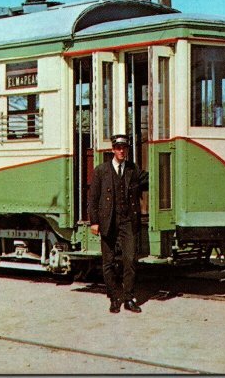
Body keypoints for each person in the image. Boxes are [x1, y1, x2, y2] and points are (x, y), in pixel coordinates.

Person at [88, 134, 146, 314]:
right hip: (108, 222)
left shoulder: (133, 170)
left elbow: (149, 178)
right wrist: (94, 222)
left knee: (130, 260)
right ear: (113, 149)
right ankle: (114, 298)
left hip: (127, 221)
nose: (121, 151)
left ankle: (128, 299)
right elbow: (93, 198)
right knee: (108, 263)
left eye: (124, 148)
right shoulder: (100, 171)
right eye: (118, 148)